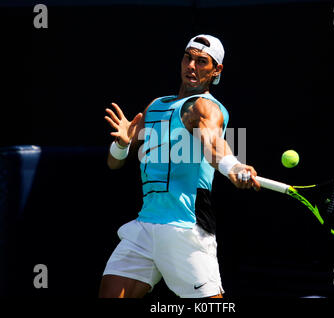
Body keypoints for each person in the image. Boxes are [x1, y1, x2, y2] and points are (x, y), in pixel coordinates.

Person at [99, 34, 260, 298]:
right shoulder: (155, 106)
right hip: (145, 226)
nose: (192, 66)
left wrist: (233, 166)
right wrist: (123, 145)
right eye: (188, 58)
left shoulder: (205, 107)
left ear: (216, 70)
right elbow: (114, 164)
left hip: (185, 228)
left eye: (202, 61)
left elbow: (213, 144)